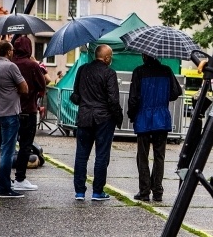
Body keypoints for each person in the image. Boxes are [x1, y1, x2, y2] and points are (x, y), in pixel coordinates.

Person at [128, 54, 182, 203]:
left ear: (144, 56)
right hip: (161, 117)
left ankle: (144, 191)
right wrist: (163, 97)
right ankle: (157, 191)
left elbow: (133, 98)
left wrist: (131, 115)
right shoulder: (166, 70)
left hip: (144, 117)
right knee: (159, 156)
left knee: (142, 156)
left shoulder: (139, 71)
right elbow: (176, 92)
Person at [73, 44, 122, 201]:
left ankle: (79, 192)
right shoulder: (109, 73)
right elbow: (113, 99)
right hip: (104, 119)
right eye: (111, 56)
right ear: (106, 57)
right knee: (101, 155)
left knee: (81, 155)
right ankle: (97, 191)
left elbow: (75, 95)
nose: (112, 59)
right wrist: (118, 117)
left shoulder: (82, 70)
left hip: (85, 117)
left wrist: (85, 104)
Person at [0, 40, 28, 198]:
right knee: (7, 151)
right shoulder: (10, 66)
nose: (13, 52)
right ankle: (5, 188)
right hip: (9, 114)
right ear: (8, 52)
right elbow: (24, 88)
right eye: (12, 50)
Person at [11, 36, 46, 192]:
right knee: (25, 146)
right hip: (28, 110)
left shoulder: (10, 64)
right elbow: (42, 84)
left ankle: (4, 178)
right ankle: (20, 178)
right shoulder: (32, 65)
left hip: (10, 110)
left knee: (7, 145)